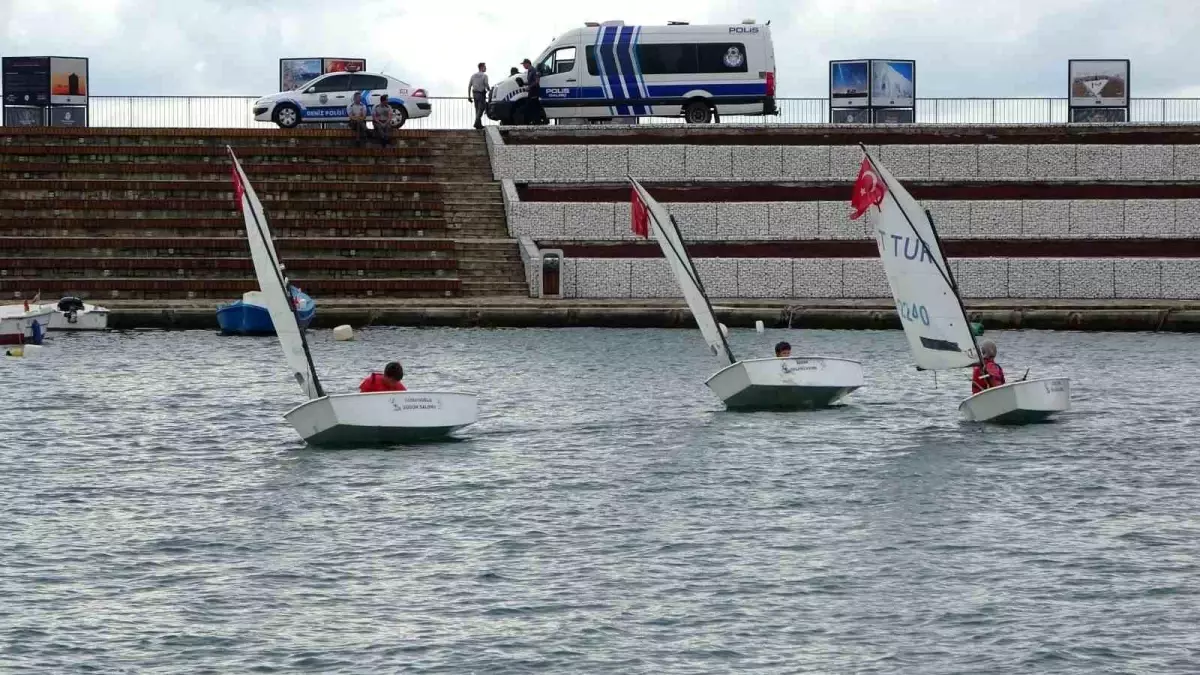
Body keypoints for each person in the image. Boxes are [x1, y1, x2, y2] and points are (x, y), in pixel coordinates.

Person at [521, 58, 545, 124]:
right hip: (531, 91)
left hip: (534, 90)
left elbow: (537, 81)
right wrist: (523, 83)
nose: (523, 66)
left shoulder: (534, 70)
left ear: (528, 63)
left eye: (524, 64)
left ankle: (537, 121)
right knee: (534, 106)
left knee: (533, 106)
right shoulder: (529, 71)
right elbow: (530, 81)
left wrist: (529, 87)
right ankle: (539, 120)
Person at [468, 62, 489, 130]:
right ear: (481, 67)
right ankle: (476, 122)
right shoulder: (484, 76)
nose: (485, 68)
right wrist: (489, 89)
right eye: (484, 67)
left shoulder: (473, 75)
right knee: (482, 108)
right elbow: (486, 84)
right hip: (481, 94)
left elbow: (469, 86)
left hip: (474, 94)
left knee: (477, 110)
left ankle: (479, 125)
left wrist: (469, 96)